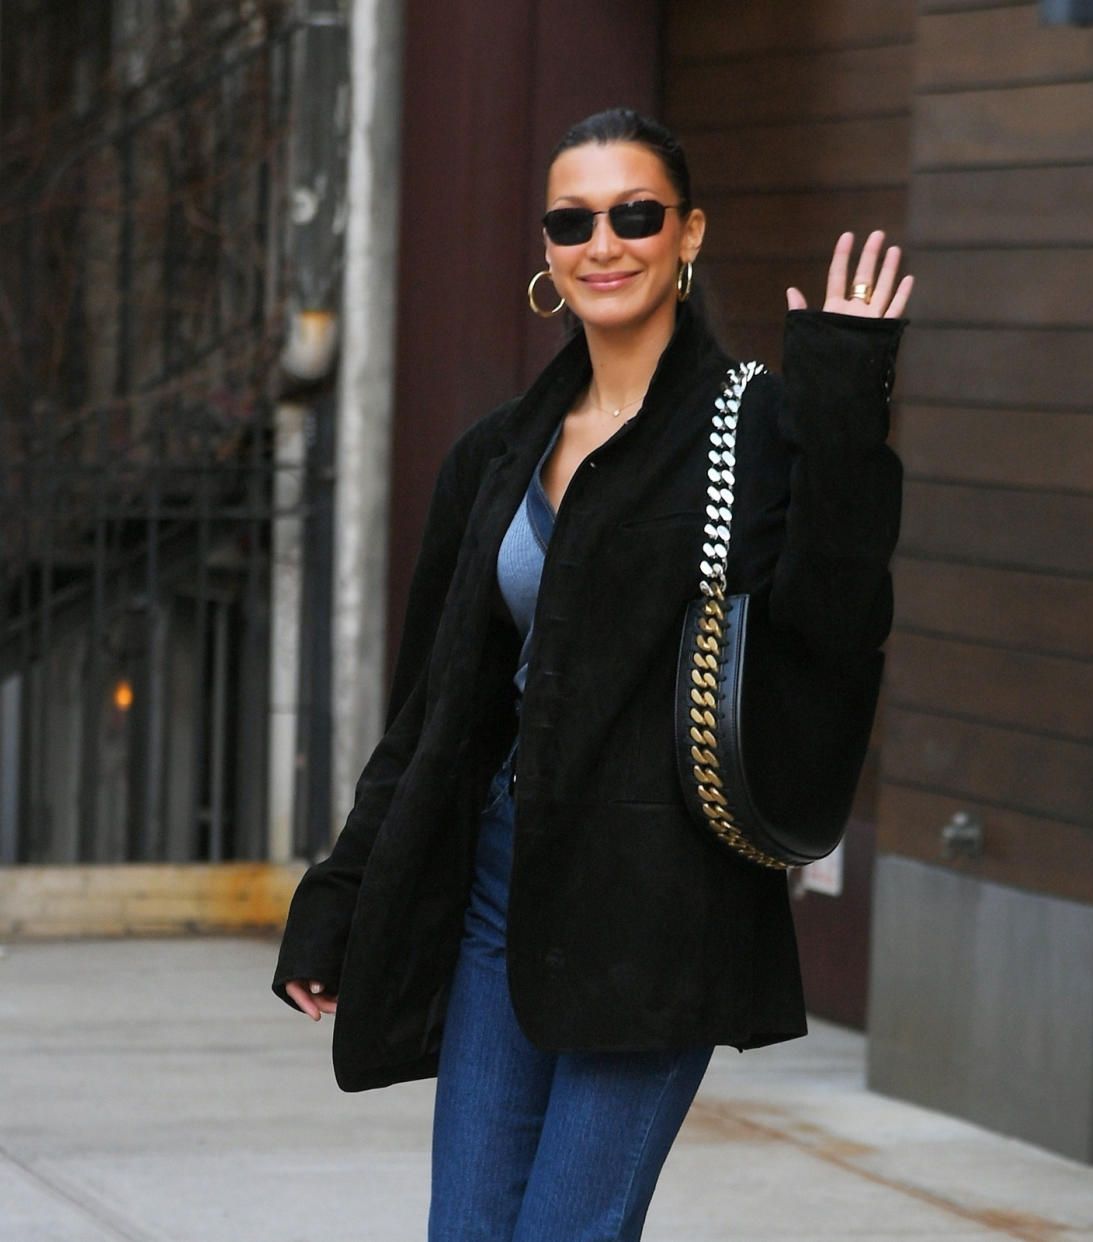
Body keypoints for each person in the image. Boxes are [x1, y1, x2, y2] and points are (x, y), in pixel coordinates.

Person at [273, 107, 912, 1241]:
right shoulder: (497, 452)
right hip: (499, 888)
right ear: (548, 249)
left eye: (636, 214)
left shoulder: (752, 424)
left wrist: (846, 404)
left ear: (688, 235)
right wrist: (341, 893)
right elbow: (435, 710)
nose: (603, 243)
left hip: (661, 897)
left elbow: (835, 618)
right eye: (574, 219)